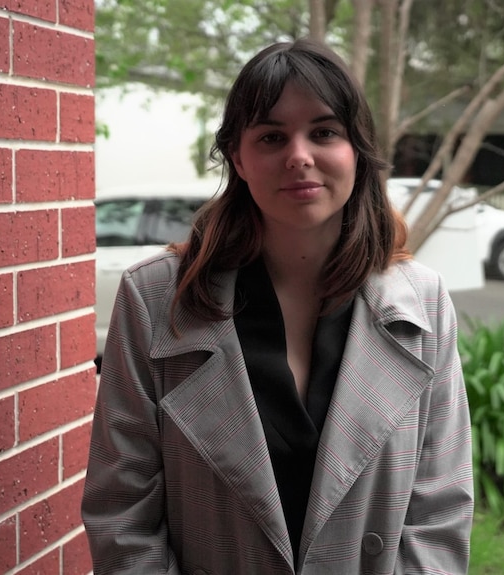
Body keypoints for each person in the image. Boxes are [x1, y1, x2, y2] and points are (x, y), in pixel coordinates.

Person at [82, 38, 473, 575]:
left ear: (356, 150)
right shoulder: (155, 300)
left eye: (324, 132)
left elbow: (440, 510)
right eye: (271, 136)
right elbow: (121, 508)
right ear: (238, 158)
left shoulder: (423, 303)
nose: (299, 156)